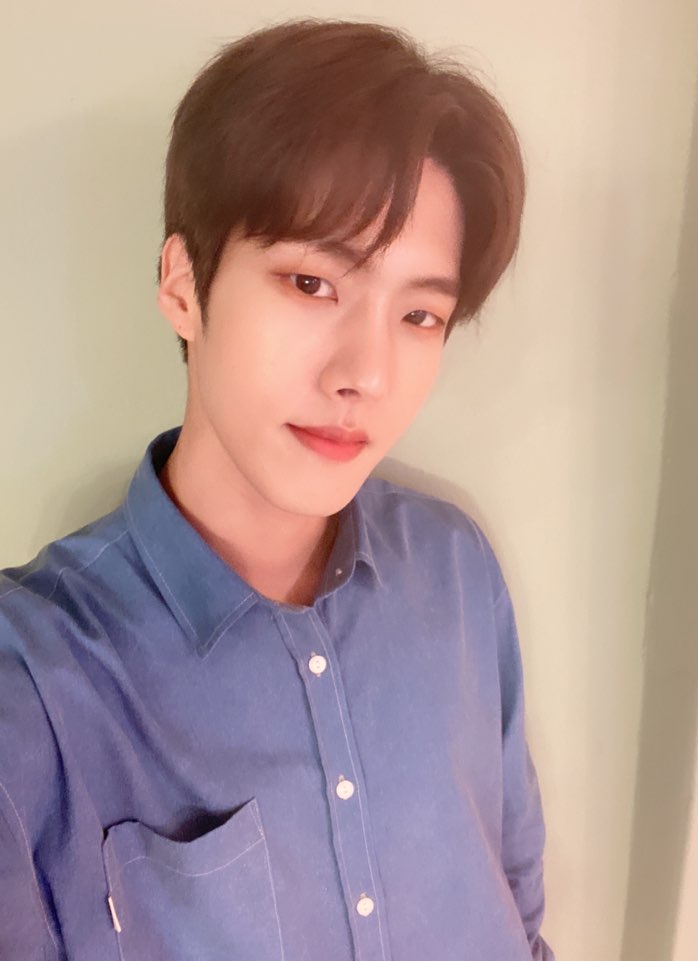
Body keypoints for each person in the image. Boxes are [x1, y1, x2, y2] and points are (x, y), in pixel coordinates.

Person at [0, 17, 554, 961]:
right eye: (310, 283)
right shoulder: (35, 680)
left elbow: (519, 918)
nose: (365, 374)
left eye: (420, 314)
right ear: (183, 284)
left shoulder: (455, 571)